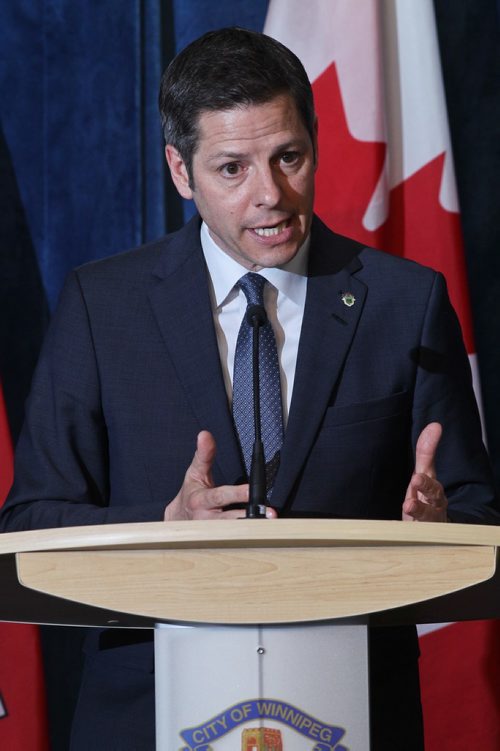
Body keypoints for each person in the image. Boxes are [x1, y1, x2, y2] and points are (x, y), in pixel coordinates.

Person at [1, 27, 498, 751]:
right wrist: (162, 527)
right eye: (232, 168)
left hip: (351, 713)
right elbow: (27, 529)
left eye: (288, 157)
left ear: (315, 144)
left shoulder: (405, 302)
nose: (271, 194)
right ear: (181, 171)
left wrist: (437, 529)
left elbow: (478, 519)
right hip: (146, 719)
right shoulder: (100, 306)